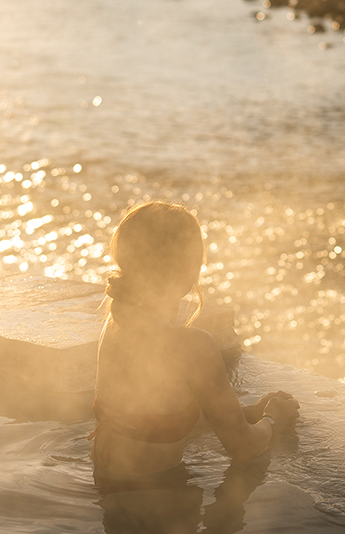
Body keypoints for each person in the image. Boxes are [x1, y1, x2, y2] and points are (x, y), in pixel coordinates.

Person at [91, 201, 300, 481]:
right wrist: (273, 420)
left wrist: (245, 413)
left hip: (106, 484)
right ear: (191, 267)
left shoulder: (116, 322)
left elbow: (150, 417)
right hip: (159, 497)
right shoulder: (192, 346)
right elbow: (244, 447)